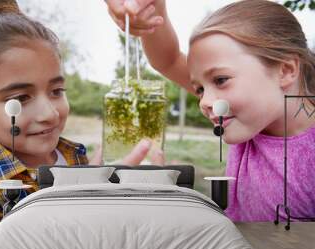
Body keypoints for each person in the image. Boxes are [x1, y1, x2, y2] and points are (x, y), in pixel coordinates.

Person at [106, 0, 315, 221]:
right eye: (199, 89)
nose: (205, 101)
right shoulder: (250, 118)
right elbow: (168, 61)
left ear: (285, 70)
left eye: (221, 80)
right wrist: (150, 6)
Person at [0, 8, 164, 222]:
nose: (49, 114)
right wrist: (90, 201)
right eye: (21, 98)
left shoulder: (76, 156)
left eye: (56, 91)